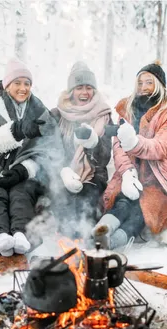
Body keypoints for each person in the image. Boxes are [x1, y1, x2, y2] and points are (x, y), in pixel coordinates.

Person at [95, 61, 167, 249]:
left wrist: (134, 142)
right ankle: (99, 233)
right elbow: (119, 146)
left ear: (159, 85)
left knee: (144, 208)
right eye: (140, 83)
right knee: (123, 200)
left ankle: (112, 244)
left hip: (159, 179)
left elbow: (161, 147)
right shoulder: (127, 109)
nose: (143, 87)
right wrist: (127, 173)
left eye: (149, 82)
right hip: (132, 172)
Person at [0, 58, 62, 257]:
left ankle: (22, 235)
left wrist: (25, 169)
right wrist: (18, 130)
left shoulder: (39, 110)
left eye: (27, 84)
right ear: (7, 85)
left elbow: (51, 148)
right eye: (17, 83)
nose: (23, 88)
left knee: (21, 192)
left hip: (26, 171)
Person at [51, 61, 113, 239]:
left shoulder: (104, 115)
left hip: (93, 177)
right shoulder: (57, 114)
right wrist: (63, 171)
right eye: (79, 88)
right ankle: (67, 251)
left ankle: (84, 250)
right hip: (62, 176)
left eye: (89, 87)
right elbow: (50, 151)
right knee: (64, 207)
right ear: (71, 91)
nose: (85, 92)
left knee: (85, 207)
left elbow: (105, 157)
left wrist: (92, 143)